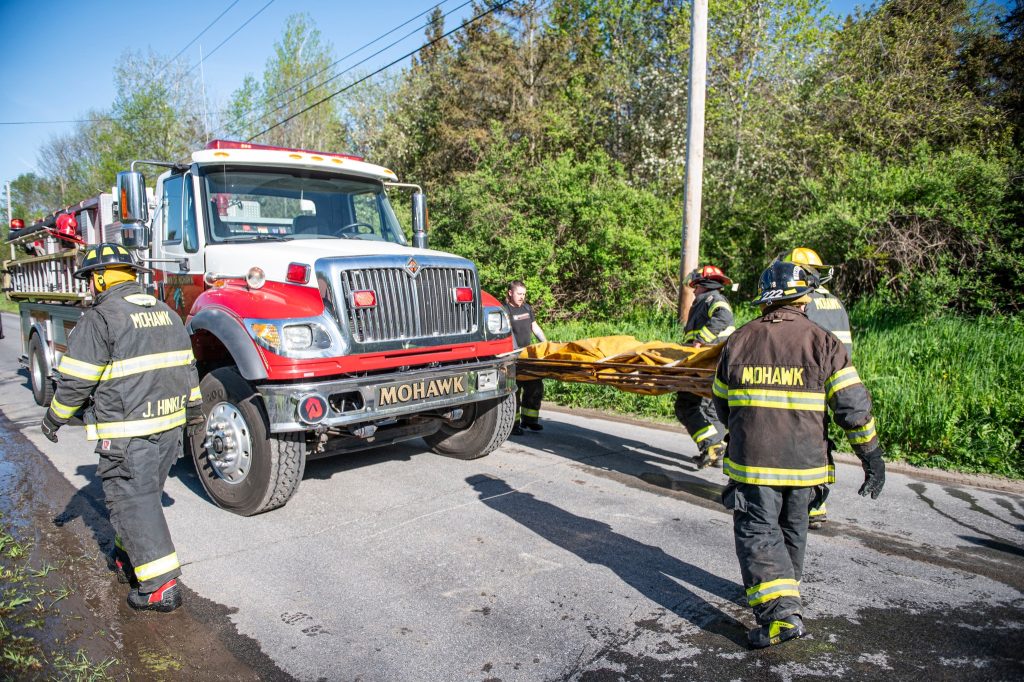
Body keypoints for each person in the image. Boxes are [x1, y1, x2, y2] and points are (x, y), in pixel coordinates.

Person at [712, 259, 885, 649]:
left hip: (753, 464)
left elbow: (721, 404)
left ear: (765, 300)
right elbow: (852, 406)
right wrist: (871, 455)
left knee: (758, 530)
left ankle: (780, 616)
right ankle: (785, 594)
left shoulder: (738, 340)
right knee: (793, 528)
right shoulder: (824, 342)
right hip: (807, 465)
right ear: (803, 299)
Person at [40, 243, 203, 613]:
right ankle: (126, 556)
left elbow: (77, 383)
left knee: (132, 501)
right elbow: (186, 369)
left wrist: (53, 419)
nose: (90, 288)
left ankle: (160, 587)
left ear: (99, 279)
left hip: (127, 432)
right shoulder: (166, 313)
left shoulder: (100, 318)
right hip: (169, 428)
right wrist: (194, 412)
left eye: (90, 280)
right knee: (142, 497)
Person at [780, 247, 853, 529]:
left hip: (805, 383)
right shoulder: (835, 302)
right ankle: (818, 504)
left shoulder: (803, 302)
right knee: (821, 440)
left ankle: (802, 503)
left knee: (799, 442)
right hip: (834, 380)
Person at [676, 264, 735, 468]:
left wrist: (702, 339)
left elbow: (724, 317)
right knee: (711, 409)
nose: (693, 290)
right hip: (710, 364)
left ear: (704, 284)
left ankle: (711, 445)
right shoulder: (705, 300)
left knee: (686, 405)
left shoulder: (712, 299)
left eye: (696, 286)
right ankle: (715, 452)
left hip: (708, 364)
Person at [504, 280, 547, 436]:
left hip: (527, 355)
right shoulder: (504, 310)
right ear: (510, 293)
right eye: (519, 294)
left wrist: (547, 343)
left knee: (535, 386)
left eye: (524, 294)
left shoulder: (527, 308)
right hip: (513, 357)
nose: (522, 297)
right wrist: (515, 352)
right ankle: (513, 425)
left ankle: (530, 420)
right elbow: (507, 333)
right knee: (514, 391)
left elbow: (534, 327)